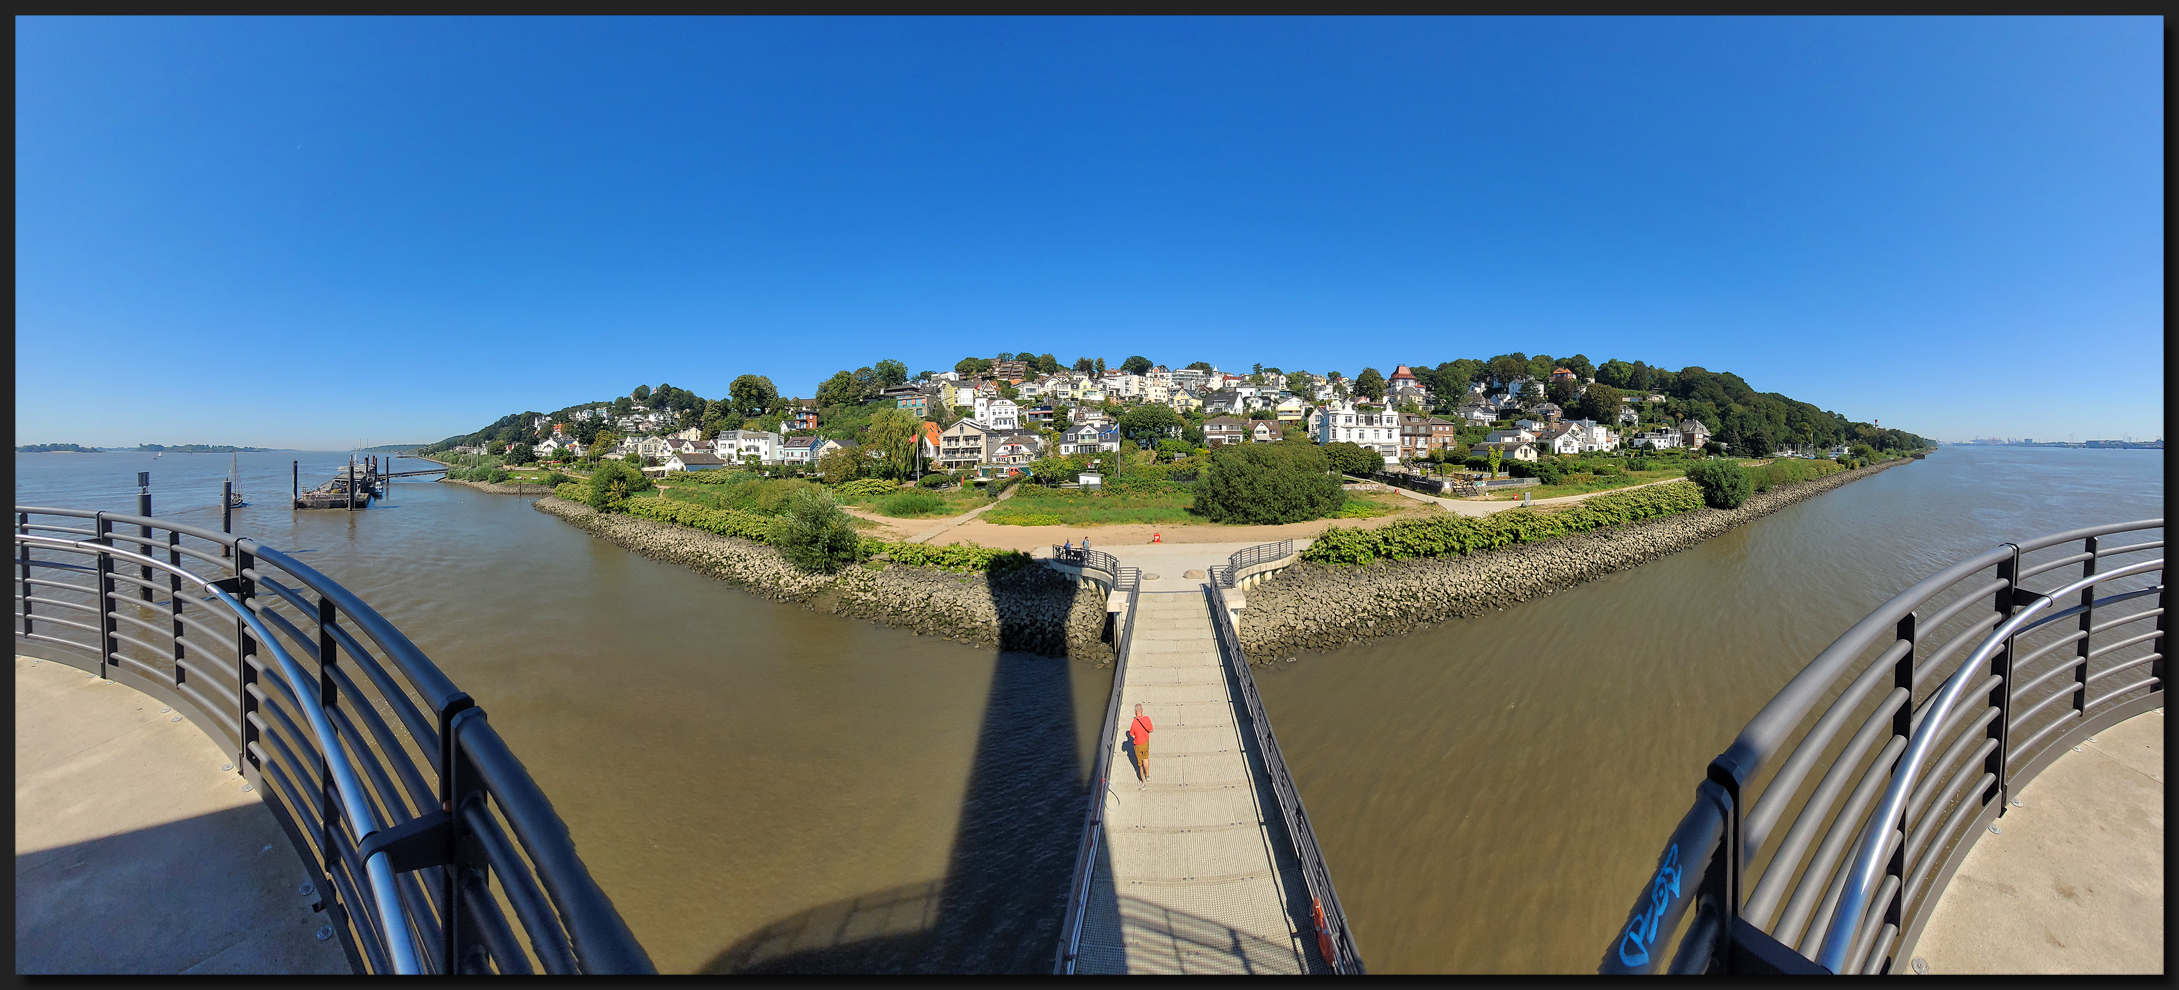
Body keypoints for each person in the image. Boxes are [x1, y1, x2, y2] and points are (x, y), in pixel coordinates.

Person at [1129, 703, 1153, 784]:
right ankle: (1148, 775)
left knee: (1140, 764)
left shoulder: (1134, 723)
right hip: (1146, 743)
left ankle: (1142, 782)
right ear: (1142, 711)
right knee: (1146, 758)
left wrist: (1134, 722)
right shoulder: (1147, 719)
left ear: (1135, 712)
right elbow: (1151, 730)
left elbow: (1131, 734)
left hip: (1138, 745)